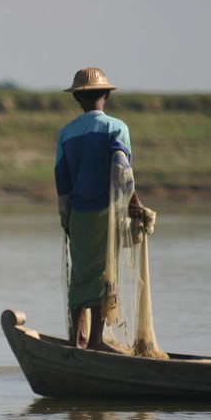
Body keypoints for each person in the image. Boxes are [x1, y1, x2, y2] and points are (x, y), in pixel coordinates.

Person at [55, 67, 145, 350]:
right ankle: (95, 340)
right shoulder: (116, 128)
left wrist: (66, 218)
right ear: (106, 95)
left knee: (80, 272)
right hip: (108, 214)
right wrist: (135, 203)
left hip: (79, 214)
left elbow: (62, 180)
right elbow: (122, 172)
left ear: (77, 100)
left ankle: (76, 339)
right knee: (106, 274)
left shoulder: (67, 134)